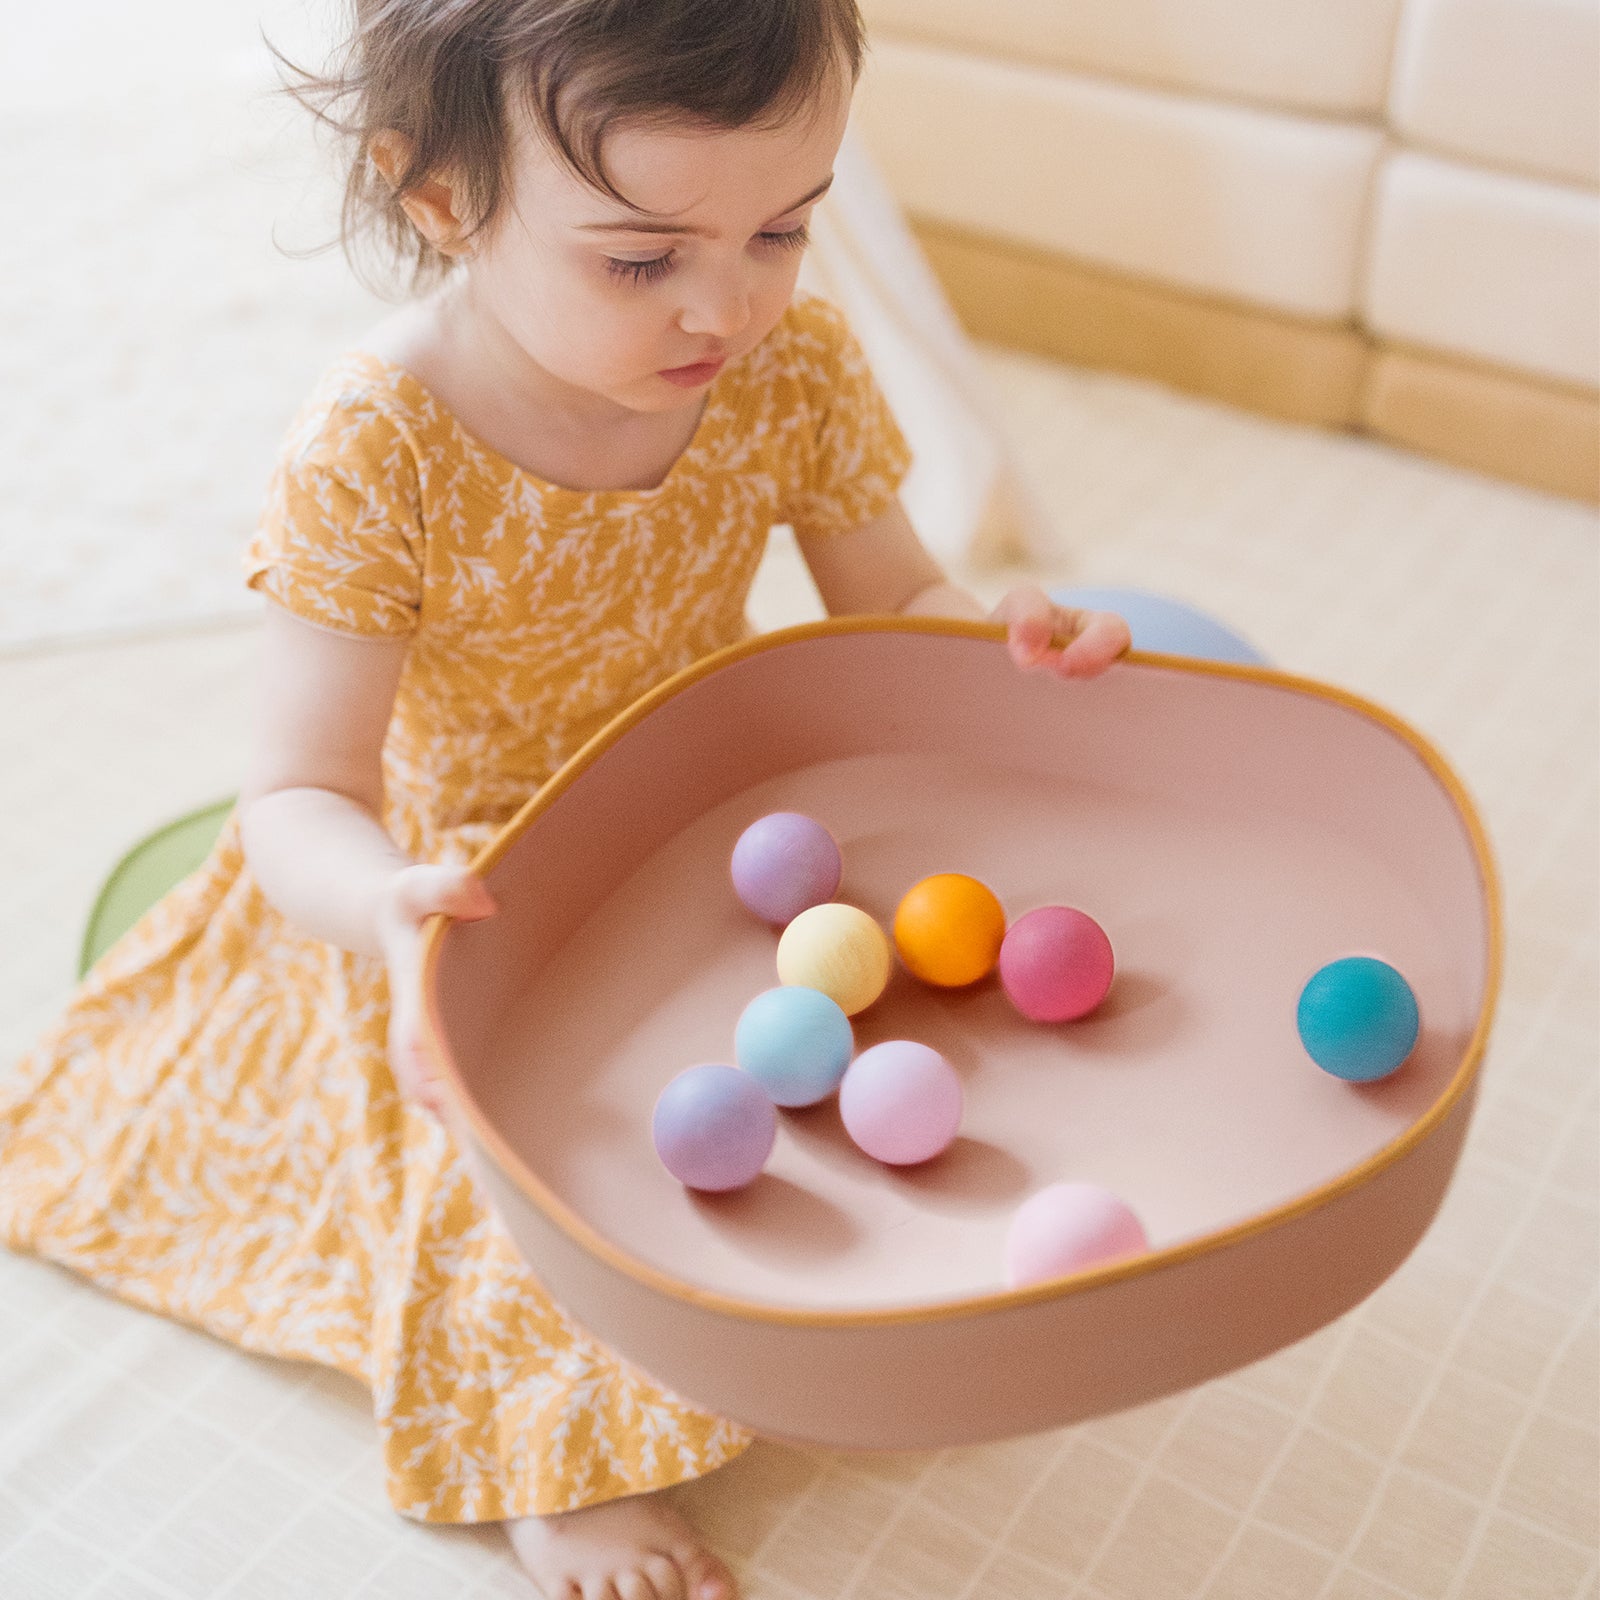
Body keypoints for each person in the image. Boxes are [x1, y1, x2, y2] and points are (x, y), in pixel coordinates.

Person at [0, 2, 1129, 1596]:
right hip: (466, 880)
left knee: (891, 1066)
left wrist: (997, 630)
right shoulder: (378, 446)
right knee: (526, 1176)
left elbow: (895, 598)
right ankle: (551, 1464)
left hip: (715, 823)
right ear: (444, 198)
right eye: (640, 258)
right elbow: (300, 795)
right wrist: (388, 911)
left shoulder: (788, 366)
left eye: (783, 228)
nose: (724, 304)